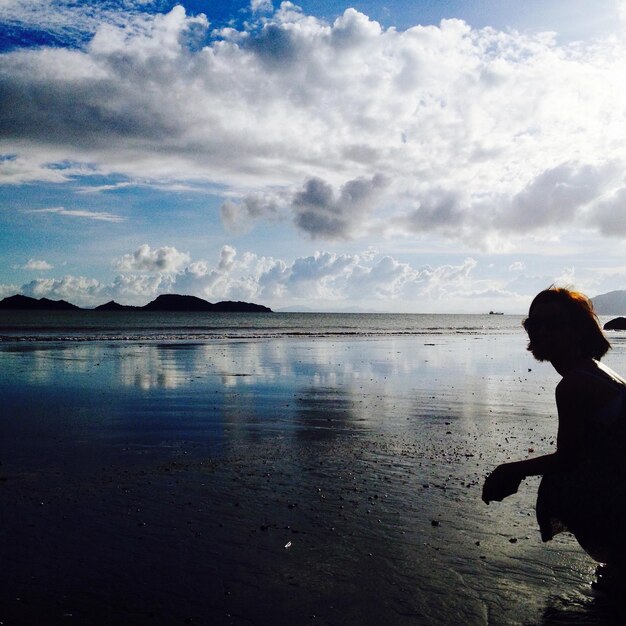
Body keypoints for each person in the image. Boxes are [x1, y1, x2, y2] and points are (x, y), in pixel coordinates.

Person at [482, 287, 626, 590]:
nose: (543, 332)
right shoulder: (596, 371)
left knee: (559, 479)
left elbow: (568, 458)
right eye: (535, 325)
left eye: (554, 324)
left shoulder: (574, 383)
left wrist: (511, 470)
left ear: (577, 329)